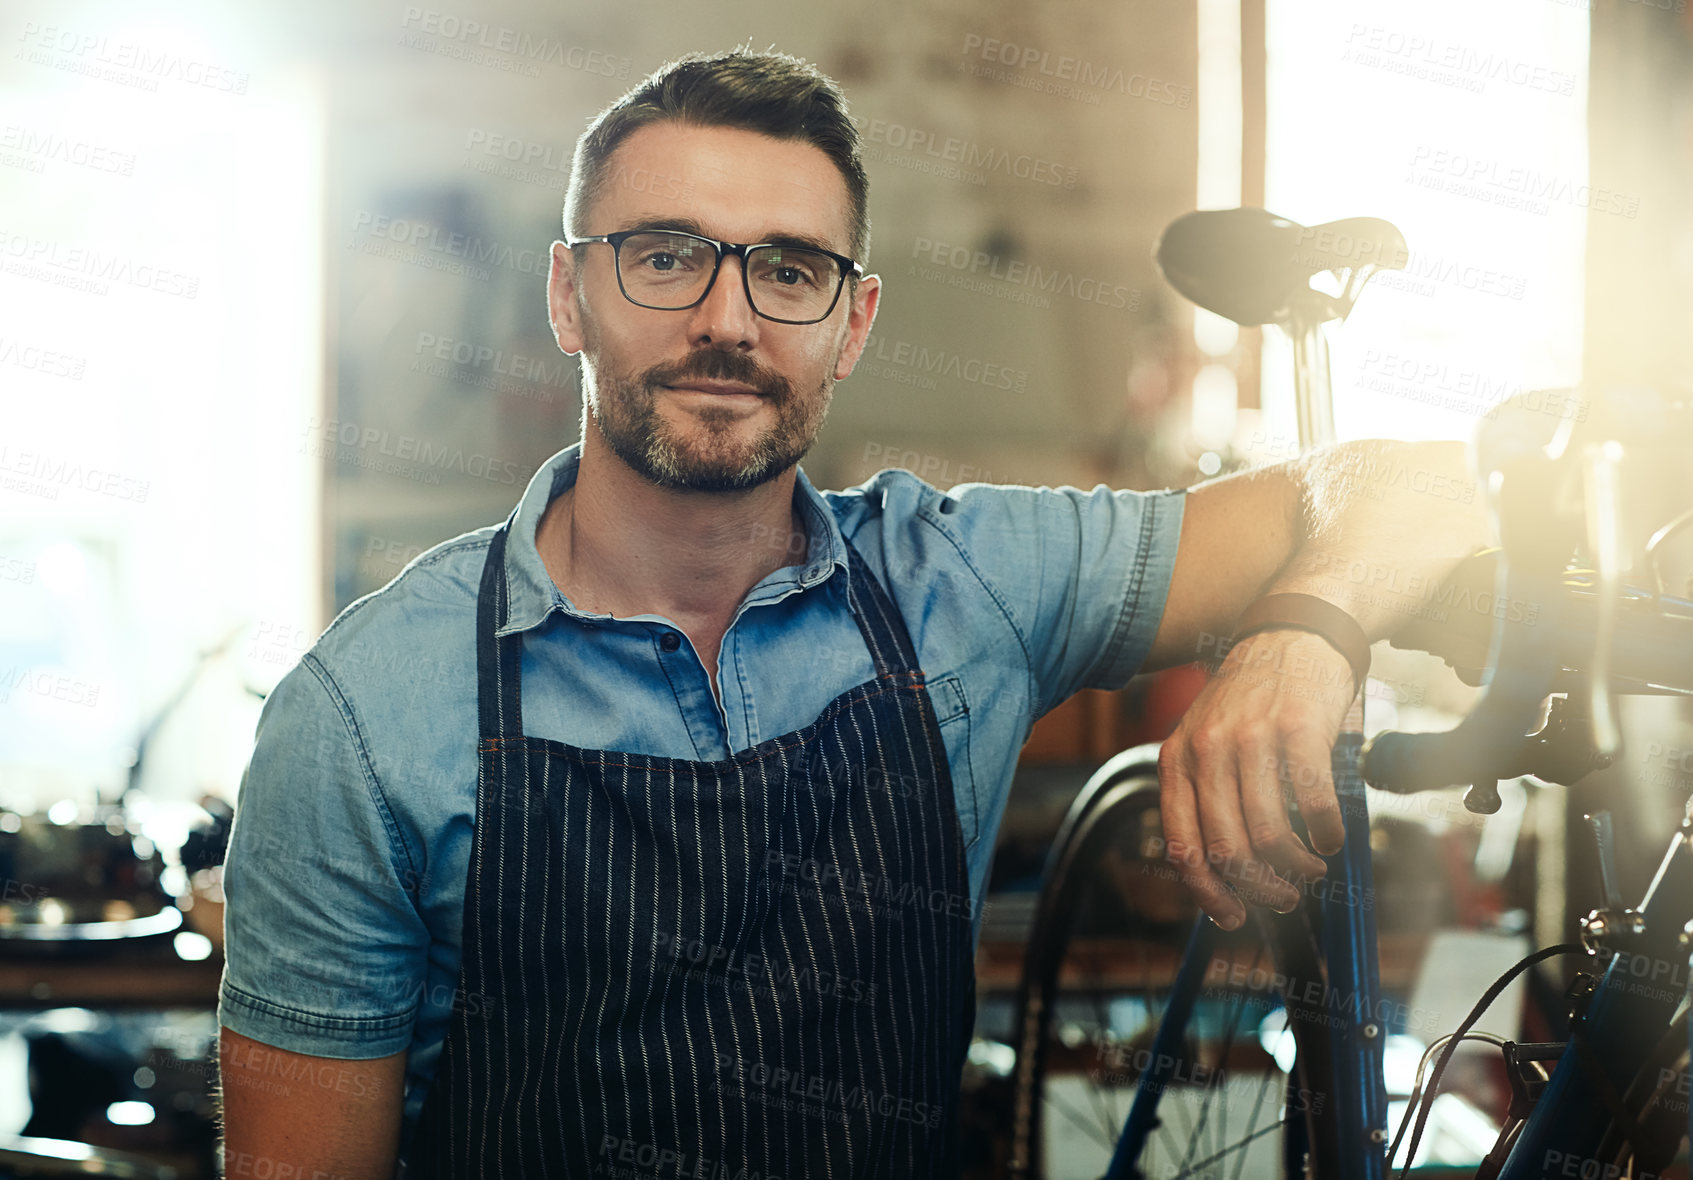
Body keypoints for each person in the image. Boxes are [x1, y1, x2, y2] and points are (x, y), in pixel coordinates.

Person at [216, 46, 1488, 1178]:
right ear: (568, 296)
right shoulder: (365, 714)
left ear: (853, 321)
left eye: (789, 270)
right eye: (665, 258)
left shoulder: (964, 583)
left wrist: (1303, 636)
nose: (727, 320)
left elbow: (1423, 484)